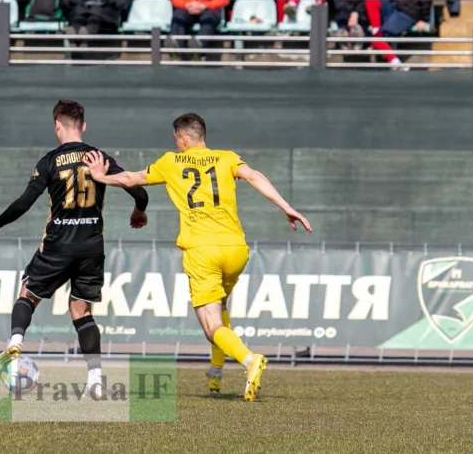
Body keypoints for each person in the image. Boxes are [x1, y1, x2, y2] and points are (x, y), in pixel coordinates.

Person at [83, 113, 310, 400]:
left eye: (176, 140)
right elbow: (254, 176)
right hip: (236, 249)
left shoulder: (171, 162)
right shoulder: (227, 158)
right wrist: (286, 207)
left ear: (183, 139)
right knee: (221, 307)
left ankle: (250, 360)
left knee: (211, 326)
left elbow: (131, 178)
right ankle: (215, 372)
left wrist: (101, 176)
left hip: (203, 251)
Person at [0, 100, 148, 399]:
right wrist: (139, 210)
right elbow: (136, 187)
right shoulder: (100, 158)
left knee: (28, 292)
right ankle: (95, 379)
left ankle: (15, 343)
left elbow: (24, 202)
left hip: (57, 245)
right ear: (83, 125)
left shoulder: (49, 161)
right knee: (81, 310)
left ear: (57, 126)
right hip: (91, 247)